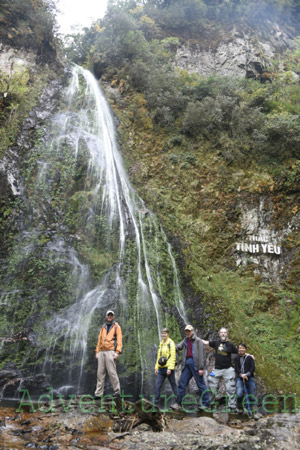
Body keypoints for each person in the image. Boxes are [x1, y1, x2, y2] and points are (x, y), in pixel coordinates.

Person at [171, 324, 210, 411]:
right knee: (182, 383)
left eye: (189, 331)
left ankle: (206, 404)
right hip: (186, 364)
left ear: (192, 331)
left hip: (195, 364)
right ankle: (178, 404)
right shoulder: (185, 340)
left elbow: (201, 355)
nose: (187, 333)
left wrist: (201, 368)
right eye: (186, 331)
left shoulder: (198, 341)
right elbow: (177, 347)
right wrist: (169, 344)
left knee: (201, 384)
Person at [202, 327, 238, 412]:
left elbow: (239, 352)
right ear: (219, 334)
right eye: (221, 332)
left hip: (228, 369)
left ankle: (232, 406)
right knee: (211, 384)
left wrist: (249, 355)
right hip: (217, 369)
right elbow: (206, 342)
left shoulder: (230, 345)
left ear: (227, 334)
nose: (223, 334)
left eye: (225, 332)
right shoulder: (216, 343)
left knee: (230, 388)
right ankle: (211, 404)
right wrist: (196, 338)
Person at [94, 310, 122, 398]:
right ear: (106, 317)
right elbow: (99, 340)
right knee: (100, 373)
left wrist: (117, 352)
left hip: (110, 351)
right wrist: (97, 351)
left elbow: (119, 340)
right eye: (108, 315)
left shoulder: (117, 326)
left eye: (111, 315)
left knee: (112, 372)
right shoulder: (103, 327)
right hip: (101, 352)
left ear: (113, 317)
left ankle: (117, 392)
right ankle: (99, 393)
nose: (110, 317)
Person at [154, 328, 178, 409]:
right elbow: (158, 356)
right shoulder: (161, 343)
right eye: (162, 333)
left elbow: (173, 356)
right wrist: (156, 367)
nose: (163, 335)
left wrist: (170, 368)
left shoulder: (171, 343)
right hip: (161, 369)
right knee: (157, 386)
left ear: (168, 334)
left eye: (165, 333)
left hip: (168, 368)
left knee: (173, 385)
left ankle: (178, 403)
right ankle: (155, 405)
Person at [235, 343, 256, 412]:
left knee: (251, 394)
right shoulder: (237, 358)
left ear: (245, 349)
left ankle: (252, 410)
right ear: (238, 349)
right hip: (240, 378)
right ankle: (240, 407)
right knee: (239, 393)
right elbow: (236, 368)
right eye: (240, 348)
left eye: (243, 348)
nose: (241, 349)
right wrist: (241, 374)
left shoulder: (250, 357)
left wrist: (248, 374)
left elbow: (252, 367)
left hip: (250, 378)